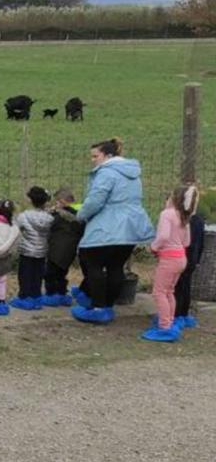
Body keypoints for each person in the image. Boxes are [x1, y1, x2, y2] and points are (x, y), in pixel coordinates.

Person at [72, 138, 155, 325]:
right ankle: (107, 306)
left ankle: (97, 306)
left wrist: (81, 214)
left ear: (108, 156)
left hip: (108, 225)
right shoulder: (133, 174)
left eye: (95, 156)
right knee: (116, 266)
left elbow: (96, 200)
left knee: (92, 261)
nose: (93, 160)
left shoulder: (106, 173)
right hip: (131, 227)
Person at [142, 186, 198, 342]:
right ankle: (169, 321)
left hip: (168, 259)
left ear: (174, 199)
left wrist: (153, 246)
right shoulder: (184, 216)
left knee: (159, 292)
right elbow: (186, 241)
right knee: (169, 291)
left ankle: (165, 327)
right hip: (181, 258)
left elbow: (163, 236)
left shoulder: (167, 214)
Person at [12, 186, 54, 310]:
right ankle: (36, 295)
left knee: (25, 274)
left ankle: (24, 296)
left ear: (30, 200)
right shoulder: (50, 218)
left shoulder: (23, 216)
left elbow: (16, 228)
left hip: (27, 251)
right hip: (41, 251)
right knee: (38, 274)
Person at [43, 188, 84, 307]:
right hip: (70, 251)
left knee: (50, 273)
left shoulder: (59, 216)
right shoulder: (80, 215)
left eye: (56, 202)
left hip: (56, 250)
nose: (55, 205)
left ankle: (51, 294)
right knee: (61, 273)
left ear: (62, 201)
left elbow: (50, 225)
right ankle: (62, 293)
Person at [174, 201, 206, 329]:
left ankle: (176, 315)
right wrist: (197, 259)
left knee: (178, 287)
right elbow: (201, 242)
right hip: (192, 258)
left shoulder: (183, 219)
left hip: (181, 256)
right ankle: (183, 314)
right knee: (186, 285)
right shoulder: (199, 220)